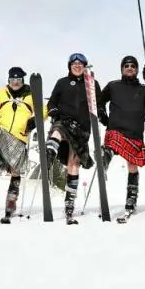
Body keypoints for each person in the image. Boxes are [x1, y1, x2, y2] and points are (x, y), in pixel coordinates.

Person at [44, 53, 107, 225]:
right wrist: (52, 110)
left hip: (82, 129)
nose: (77, 66)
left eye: (81, 64)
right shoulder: (62, 82)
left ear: (85, 66)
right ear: (69, 66)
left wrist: (101, 112)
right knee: (57, 131)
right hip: (64, 121)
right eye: (74, 63)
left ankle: (69, 204)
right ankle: (49, 153)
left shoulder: (92, 84)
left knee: (74, 164)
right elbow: (52, 102)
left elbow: (99, 104)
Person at [99, 55, 145, 219]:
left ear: (137, 69)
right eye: (126, 66)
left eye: (133, 65)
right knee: (110, 146)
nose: (130, 68)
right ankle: (103, 162)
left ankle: (131, 200)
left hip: (134, 133)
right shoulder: (113, 86)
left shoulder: (143, 89)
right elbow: (99, 100)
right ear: (122, 69)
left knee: (132, 166)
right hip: (116, 129)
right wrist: (102, 114)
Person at [0, 66, 44, 224]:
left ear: (22, 81)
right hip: (2, 133)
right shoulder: (1, 94)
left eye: (18, 80)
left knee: (15, 170)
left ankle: (11, 202)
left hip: (19, 138)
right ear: (8, 80)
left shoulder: (31, 95)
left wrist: (34, 119)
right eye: (12, 80)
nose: (15, 82)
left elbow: (43, 110)